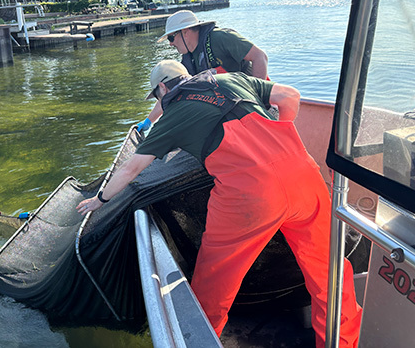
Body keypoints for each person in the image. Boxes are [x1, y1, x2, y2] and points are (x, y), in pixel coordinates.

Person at [78, 60, 362, 347]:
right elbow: (291, 97)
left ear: (162, 89)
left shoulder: (172, 115)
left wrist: (99, 200)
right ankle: (343, 342)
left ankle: (202, 340)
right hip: (304, 176)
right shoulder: (232, 79)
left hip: (249, 195)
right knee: (330, 273)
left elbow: (131, 169)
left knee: (214, 281)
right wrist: (281, 132)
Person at [136, 10, 269, 132]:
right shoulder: (188, 62)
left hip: (258, 102)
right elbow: (169, 94)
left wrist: (258, 98)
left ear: (185, 32)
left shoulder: (221, 37)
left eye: (171, 38)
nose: (170, 44)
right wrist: (149, 121)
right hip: (233, 106)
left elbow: (260, 57)